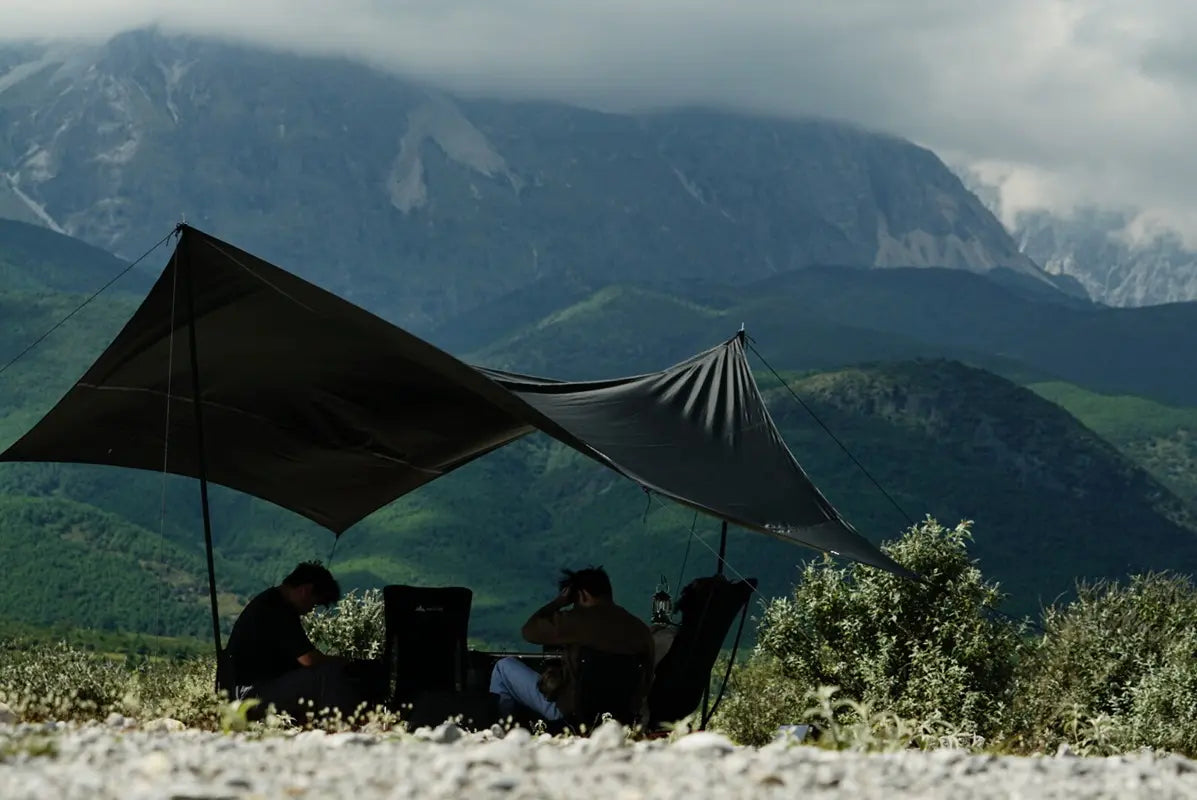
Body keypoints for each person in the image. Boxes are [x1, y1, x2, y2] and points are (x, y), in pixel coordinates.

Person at [489, 566, 654, 724]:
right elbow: (646, 681)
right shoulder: (640, 630)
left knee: (503, 668)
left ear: (583, 595)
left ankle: (502, 735)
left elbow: (529, 631)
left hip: (572, 713)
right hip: (623, 717)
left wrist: (559, 602)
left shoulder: (576, 620)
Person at [220, 561, 368, 722]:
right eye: (315, 603)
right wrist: (343, 662)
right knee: (328, 674)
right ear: (306, 590)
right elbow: (309, 660)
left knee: (324, 673)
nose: (311, 609)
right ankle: (342, 727)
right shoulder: (277, 609)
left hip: (246, 693)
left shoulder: (272, 601)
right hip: (252, 695)